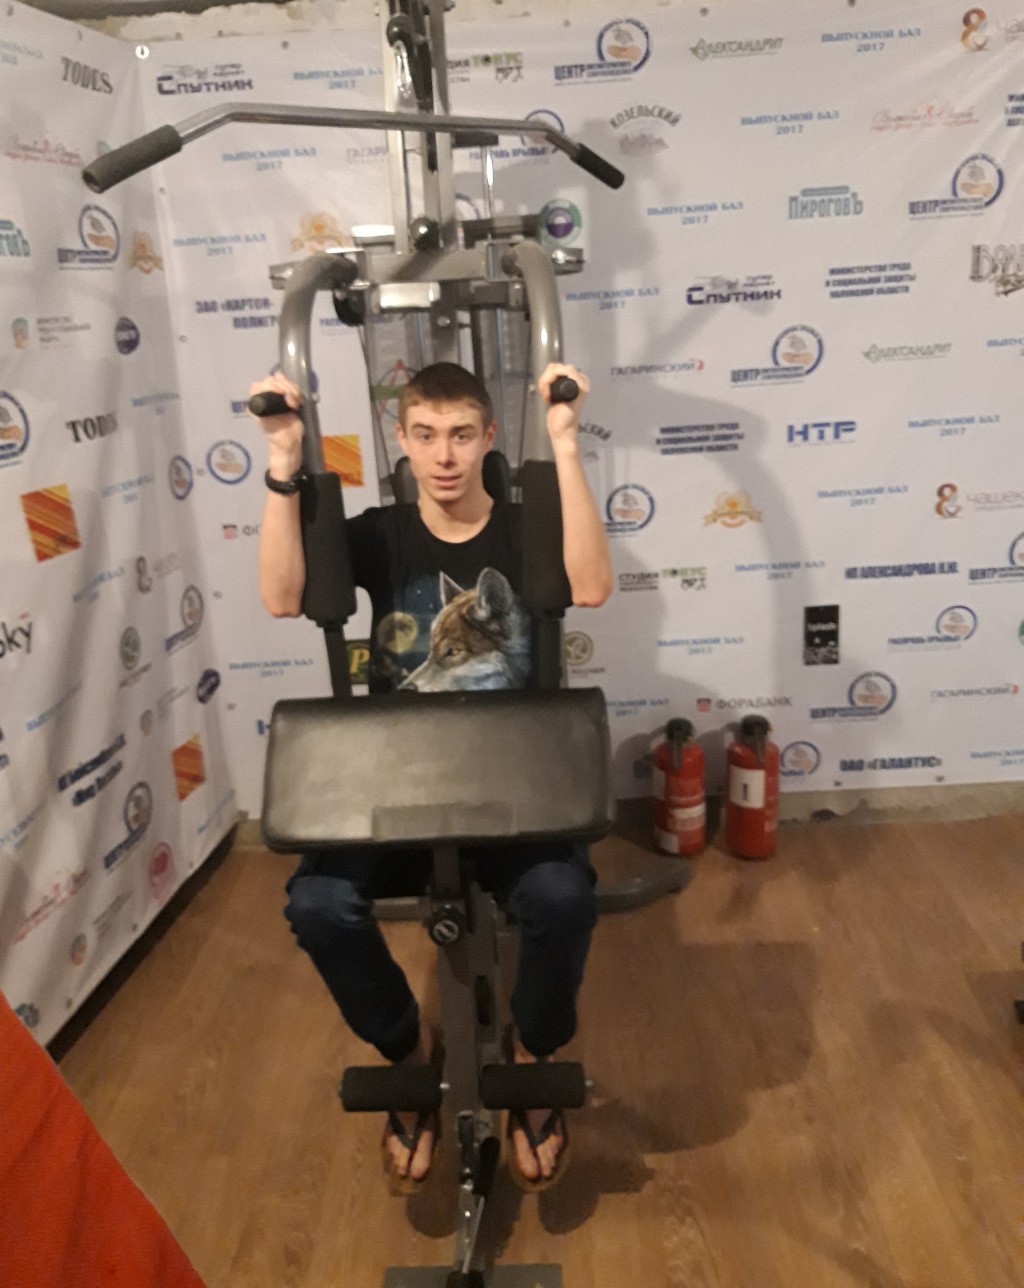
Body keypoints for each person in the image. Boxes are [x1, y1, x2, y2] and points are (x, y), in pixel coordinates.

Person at [252, 360, 613, 1192]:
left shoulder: (523, 527)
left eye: (459, 435)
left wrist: (564, 445)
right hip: (400, 784)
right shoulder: (380, 535)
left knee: (562, 898)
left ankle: (533, 1055)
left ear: (488, 437)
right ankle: (409, 1053)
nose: (443, 455)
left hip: (514, 784)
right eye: (424, 436)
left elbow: (592, 585)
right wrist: (281, 459)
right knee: (317, 905)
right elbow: (279, 596)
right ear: (402, 441)